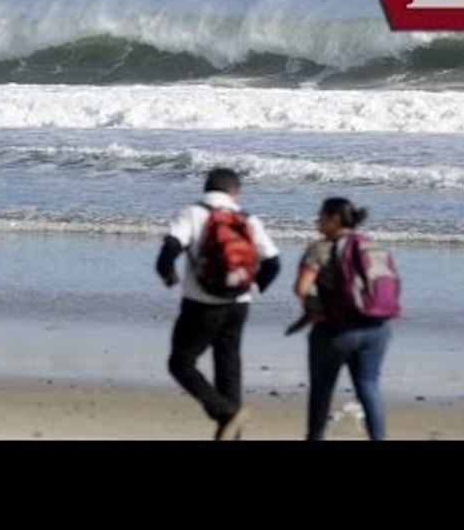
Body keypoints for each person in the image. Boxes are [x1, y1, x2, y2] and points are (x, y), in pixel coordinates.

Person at [156, 167, 281, 440]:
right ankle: (230, 430)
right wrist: (254, 288)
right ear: (235, 192)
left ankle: (224, 412)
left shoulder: (190, 213)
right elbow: (273, 263)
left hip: (200, 303)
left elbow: (168, 252)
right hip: (239, 304)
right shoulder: (248, 220)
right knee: (228, 365)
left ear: (205, 187)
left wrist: (169, 277)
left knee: (181, 363)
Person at [293, 198, 392, 441]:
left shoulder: (321, 248)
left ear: (335, 218)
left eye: (321, 215)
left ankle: (316, 437)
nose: (317, 220)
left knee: (322, 389)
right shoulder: (373, 247)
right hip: (378, 328)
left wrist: (313, 309)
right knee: (368, 386)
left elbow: (301, 288)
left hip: (336, 330)